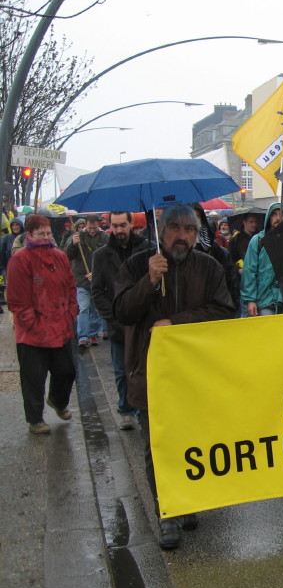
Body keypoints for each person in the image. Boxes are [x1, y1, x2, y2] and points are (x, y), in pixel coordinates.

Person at [114, 203, 234, 550]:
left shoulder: (210, 267)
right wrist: (148, 281)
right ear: (161, 231)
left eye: (190, 230)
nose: (182, 236)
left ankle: (188, 500)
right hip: (150, 372)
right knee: (159, 447)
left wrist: (176, 324)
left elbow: (224, 311)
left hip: (194, 374)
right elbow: (123, 313)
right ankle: (167, 511)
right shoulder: (137, 264)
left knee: (191, 441)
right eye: (176, 228)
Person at [6, 215, 77, 435]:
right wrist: (30, 321)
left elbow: (71, 286)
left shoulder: (60, 257)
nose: (46, 237)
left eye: (48, 233)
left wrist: (72, 312)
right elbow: (16, 298)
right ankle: (35, 419)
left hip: (60, 326)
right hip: (32, 331)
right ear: (29, 235)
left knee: (66, 371)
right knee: (33, 378)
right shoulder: (20, 260)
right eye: (41, 234)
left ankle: (57, 400)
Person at [91, 211, 149, 431]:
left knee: (144, 368)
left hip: (143, 319)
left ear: (131, 224)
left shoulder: (146, 247)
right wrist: (113, 317)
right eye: (114, 226)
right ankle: (125, 409)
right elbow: (97, 291)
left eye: (122, 225)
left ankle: (144, 409)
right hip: (118, 322)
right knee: (121, 370)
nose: (118, 230)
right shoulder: (102, 255)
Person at [65, 214, 108, 348]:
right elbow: (68, 255)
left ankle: (93, 334)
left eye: (94, 228)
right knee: (83, 308)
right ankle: (82, 336)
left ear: (98, 225)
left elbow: (108, 258)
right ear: (86, 225)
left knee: (95, 309)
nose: (92, 230)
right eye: (90, 228)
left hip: (97, 279)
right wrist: (73, 244)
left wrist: (96, 273)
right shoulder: (78, 236)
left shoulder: (105, 238)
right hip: (81, 279)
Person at [240, 202, 283, 317]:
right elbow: (249, 271)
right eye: (274, 214)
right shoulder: (258, 241)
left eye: (281, 214)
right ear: (269, 218)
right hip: (264, 302)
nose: (278, 218)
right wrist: (250, 300)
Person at [0, 216, 25, 311]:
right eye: (13, 225)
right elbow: (2, 254)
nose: (15, 227)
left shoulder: (25, 237)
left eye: (17, 225)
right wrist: (2, 269)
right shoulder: (7, 238)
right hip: (10, 269)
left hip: (23, 270)